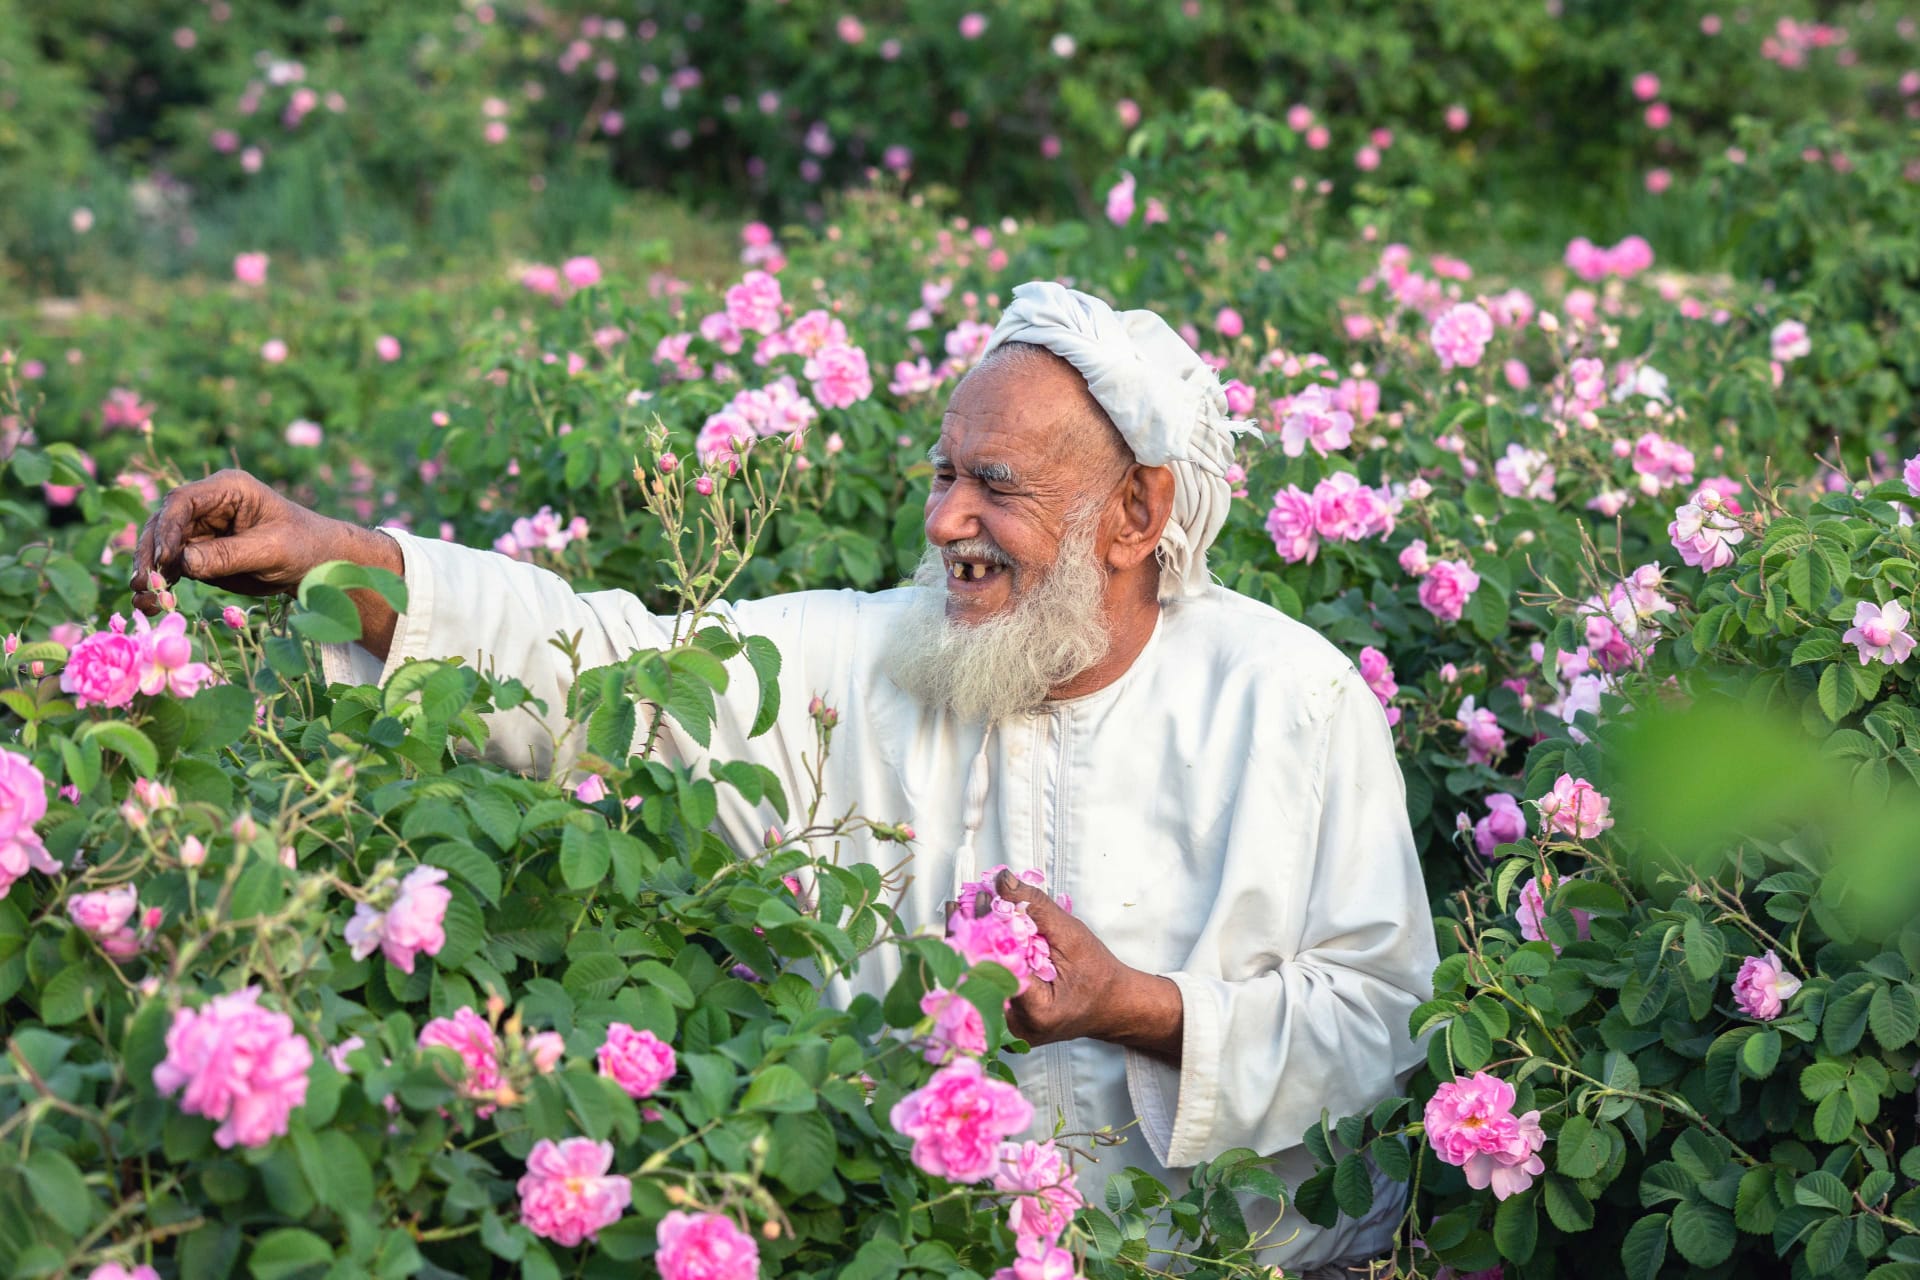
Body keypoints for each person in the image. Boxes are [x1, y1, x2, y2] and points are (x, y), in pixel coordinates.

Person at [134, 281, 1437, 1275]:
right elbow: (600, 668)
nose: (942, 524)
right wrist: (334, 559)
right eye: (941, 477)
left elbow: (1383, 1015)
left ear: (1139, 516)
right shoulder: (856, 656)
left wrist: (1139, 1007)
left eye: (997, 488)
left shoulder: (1291, 699)